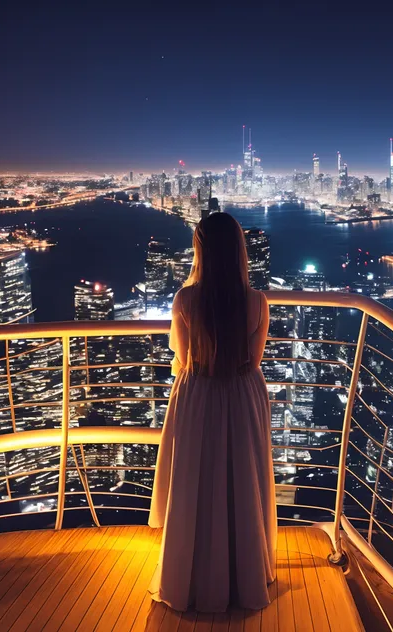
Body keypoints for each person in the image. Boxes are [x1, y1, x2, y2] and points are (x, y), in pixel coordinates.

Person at [148, 212, 277, 613]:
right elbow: (252, 361)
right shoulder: (257, 301)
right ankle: (245, 573)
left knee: (196, 479)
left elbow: (184, 357)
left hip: (198, 392)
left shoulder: (186, 300)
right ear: (239, 251)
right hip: (242, 395)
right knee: (243, 477)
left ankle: (191, 574)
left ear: (199, 249)